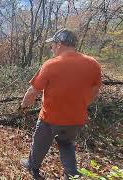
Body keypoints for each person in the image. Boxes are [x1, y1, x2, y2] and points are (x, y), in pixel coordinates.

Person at [19, 28, 102, 180]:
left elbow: (33, 91)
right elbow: (95, 91)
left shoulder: (51, 64)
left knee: (40, 144)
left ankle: (33, 166)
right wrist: (81, 105)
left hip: (50, 119)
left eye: (52, 45)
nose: (51, 49)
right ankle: (71, 175)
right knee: (66, 145)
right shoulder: (93, 64)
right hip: (76, 120)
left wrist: (23, 107)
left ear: (59, 44)